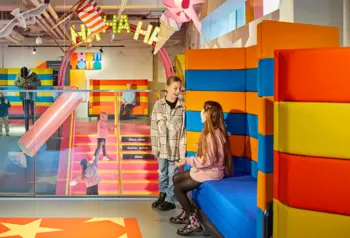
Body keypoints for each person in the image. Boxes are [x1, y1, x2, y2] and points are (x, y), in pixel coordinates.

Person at [171, 101, 232, 236]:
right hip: (209, 170)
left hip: (211, 172)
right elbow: (211, 154)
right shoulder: (214, 132)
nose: (200, 113)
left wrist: (186, 160)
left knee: (178, 188)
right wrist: (200, 147)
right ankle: (187, 213)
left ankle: (194, 222)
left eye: (202, 110)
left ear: (207, 115)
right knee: (176, 178)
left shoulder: (211, 135)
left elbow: (207, 161)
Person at [151, 76, 186, 211]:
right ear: (167, 88)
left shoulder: (182, 107)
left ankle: (170, 199)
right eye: (175, 88)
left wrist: (182, 152)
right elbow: (154, 128)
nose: (177, 91)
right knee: (162, 173)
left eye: (179, 89)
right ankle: (162, 194)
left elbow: (178, 130)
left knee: (173, 174)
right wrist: (155, 148)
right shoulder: (158, 105)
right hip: (161, 147)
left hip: (175, 148)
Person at [14, 67, 41, 131]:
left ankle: (34, 127)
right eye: (22, 76)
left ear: (27, 73)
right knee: (26, 113)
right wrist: (23, 85)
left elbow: (39, 83)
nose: (24, 76)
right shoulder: (18, 75)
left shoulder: (33, 74)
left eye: (25, 75)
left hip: (32, 96)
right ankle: (26, 129)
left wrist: (29, 85)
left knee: (33, 112)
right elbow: (15, 83)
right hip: (24, 97)